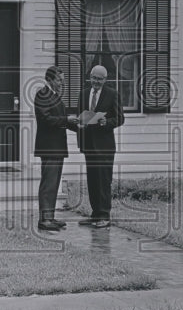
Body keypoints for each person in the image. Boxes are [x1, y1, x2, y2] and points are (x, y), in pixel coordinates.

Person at [77, 65, 124, 228]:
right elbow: (80, 116)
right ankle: (95, 214)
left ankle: (104, 215)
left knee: (103, 181)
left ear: (105, 80)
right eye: (94, 78)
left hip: (104, 146)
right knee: (92, 180)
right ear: (90, 77)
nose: (96, 82)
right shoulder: (83, 94)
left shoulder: (112, 94)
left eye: (100, 79)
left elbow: (120, 118)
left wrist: (107, 122)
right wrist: (79, 123)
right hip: (88, 144)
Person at [33, 66, 78, 232]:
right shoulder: (42, 95)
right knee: (48, 183)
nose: (62, 83)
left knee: (54, 183)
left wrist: (81, 125)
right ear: (49, 79)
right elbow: (46, 119)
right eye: (59, 80)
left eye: (63, 80)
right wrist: (67, 119)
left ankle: (49, 217)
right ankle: (44, 219)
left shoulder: (55, 96)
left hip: (57, 145)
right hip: (49, 146)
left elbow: (60, 120)